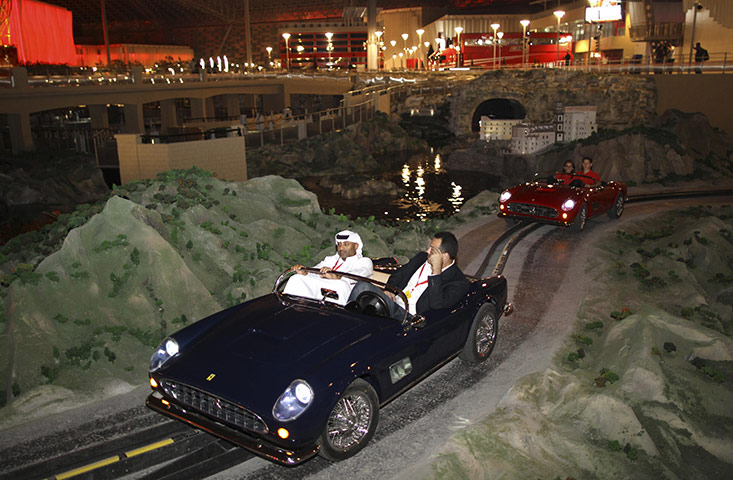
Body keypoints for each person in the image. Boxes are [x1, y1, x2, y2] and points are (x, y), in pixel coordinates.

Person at [349, 231, 469, 319]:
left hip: (411, 317)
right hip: (395, 302)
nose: (427, 251)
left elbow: (437, 304)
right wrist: (389, 290)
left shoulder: (458, 282)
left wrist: (436, 271)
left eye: (432, 250)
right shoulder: (421, 258)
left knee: (364, 291)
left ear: (444, 256)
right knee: (362, 288)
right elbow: (398, 275)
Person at [283, 230, 372, 305]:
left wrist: (337, 276)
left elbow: (358, 275)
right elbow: (317, 270)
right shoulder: (330, 259)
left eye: (346, 244)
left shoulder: (364, 262)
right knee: (297, 278)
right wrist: (305, 272)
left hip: (348, 298)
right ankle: (294, 306)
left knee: (341, 285)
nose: (341, 248)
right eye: (339, 244)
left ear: (356, 246)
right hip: (323, 291)